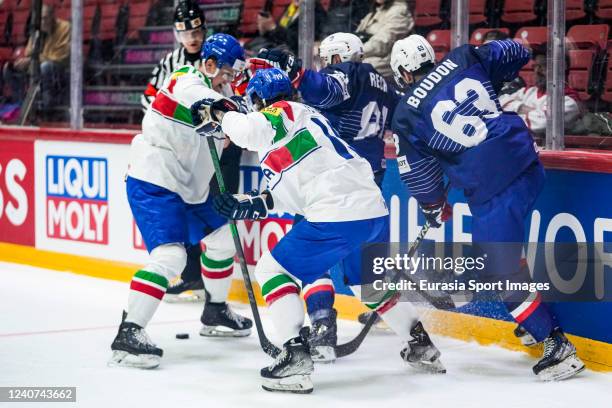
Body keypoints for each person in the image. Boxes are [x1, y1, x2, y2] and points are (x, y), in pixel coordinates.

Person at [197, 67, 445, 393]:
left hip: (338, 212)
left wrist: (220, 111)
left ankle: (294, 354)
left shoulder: (280, 111)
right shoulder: (303, 122)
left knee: (273, 269)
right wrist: (246, 205)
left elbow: (243, 130)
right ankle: (421, 345)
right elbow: (293, 195)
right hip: (370, 211)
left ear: (259, 100)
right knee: (368, 286)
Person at [389, 34, 585, 381]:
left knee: (500, 269)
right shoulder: (464, 58)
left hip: (494, 185)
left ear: (404, 72)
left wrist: (435, 205)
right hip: (526, 161)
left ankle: (558, 348)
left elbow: (420, 176)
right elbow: (516, 50)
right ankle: (533, 317)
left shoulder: (405, 112)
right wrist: (490, 76)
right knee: (508, 256)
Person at [252, 32, 400, 361]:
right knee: (366, 274)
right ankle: (419, 341)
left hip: (331, 178)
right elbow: (406, 121)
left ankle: (321, 326)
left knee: (307, 257)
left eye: (326, 60)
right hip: (369, 182)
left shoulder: (344, 73)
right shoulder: (384, 84)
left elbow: (324, 89)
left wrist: (298, 73)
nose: (324, 66)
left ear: (337, 57)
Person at [109, 34, 252, 369]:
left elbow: (237, 127)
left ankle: (215, 311)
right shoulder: (184, 80)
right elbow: (198, 98)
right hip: (154, 180)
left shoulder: (224, 96)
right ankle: (129, 333)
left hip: (190, 189)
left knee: (223, 239)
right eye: (227, 73)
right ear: (210, 63)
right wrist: (227, 111)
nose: (230, 80)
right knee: (170, 256)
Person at [498, 47, 582, 134]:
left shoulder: (569, 101)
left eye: (544, 65)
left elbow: (543, 124)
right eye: (536, 66)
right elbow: (499, 102)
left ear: (561, 67)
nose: (537, 70)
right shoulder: (528, 92)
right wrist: (521, 107)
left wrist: (510, 115)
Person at [141, 0, 206, 110]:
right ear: (178, 35)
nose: (192, 39)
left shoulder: (214, 57)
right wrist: (162, 113)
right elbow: (148, 96)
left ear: (203, 30)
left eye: (196, 32)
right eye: (185, 35)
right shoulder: (169, 61)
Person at [2, 3, 70, 108]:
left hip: (60, 69)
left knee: (45, 67)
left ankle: (48, 106)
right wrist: (22, 63)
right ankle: (23, 104)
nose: (43, 22)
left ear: (53, 17)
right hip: (38, 65)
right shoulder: (37, 30)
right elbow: (29, 53)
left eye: (45, 18)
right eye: (40, 19)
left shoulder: (65, 27)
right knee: (9, 69)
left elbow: (60, 57)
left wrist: (32, 60)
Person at [354, 0, 414, 80]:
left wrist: (355, 53)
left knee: (353, 70)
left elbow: (382, 44)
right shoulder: (376, 11)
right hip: (368, 56)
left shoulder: (399, 11)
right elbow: (356, 36)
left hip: (387, 61)